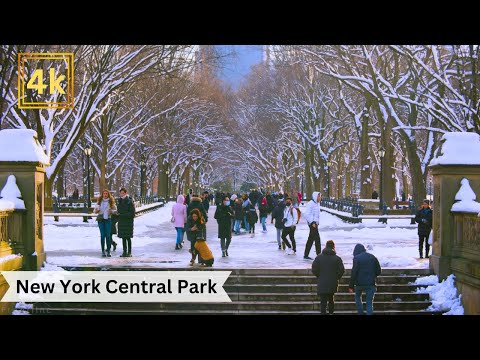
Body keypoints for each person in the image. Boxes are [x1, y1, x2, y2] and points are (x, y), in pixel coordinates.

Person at [311, 240, 345, 315]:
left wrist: (319, 276)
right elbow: (342, 270)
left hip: (322, 282)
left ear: (326, 246)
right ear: (333, 246)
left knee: (323, 301)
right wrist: (336, 277)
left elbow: (314, 269)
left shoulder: (319, 257)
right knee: (331, 299)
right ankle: (331, 313)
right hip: (332, 282)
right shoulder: (337, 258)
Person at [348, 243, 382, 315]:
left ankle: (360, 313)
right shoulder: (372, 257)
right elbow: (379, 271)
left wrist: (351, 286)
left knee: (357, 297)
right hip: (370, 283)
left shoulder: (356, 258)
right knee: (369, 302)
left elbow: (354, 272)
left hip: (359, 284)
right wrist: (372, 275)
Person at [94, 189, 117, 257]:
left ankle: (109, 251)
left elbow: (115, 210)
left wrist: (111, 211)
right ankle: (103, 251)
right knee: (102, 235)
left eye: (106, 193)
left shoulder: (111, 202)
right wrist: (96, 210)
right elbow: (95, 210)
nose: (105, 195)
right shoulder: (99, 201)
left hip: (108, 219)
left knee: (108, 235)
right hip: (101, 219)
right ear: (102, 194)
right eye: (104, 193)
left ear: (108, 194)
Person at [303, 191, 322, 260]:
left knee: (310, 239)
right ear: (315, 196)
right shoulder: (310, 204)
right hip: (312, 224)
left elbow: (316, 215)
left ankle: (306, 254)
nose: (320, 198)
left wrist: (317, 222)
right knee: (317, 239)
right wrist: (312, 222)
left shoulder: (317, 204)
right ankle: (319, 254)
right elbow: (307, 214)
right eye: (319, 196)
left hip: (315, 224)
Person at [117, 187, 135, 257]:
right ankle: (124, 251)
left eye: (123, 193)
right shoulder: (119, 201)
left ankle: (129, 252)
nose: (121, 194)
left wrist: (122, 215)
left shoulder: (129, 201)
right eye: (120, 193)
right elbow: (118, 210)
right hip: (121, 222)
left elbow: (132, 213)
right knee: (123, 237)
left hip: (128, 222)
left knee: (128, 237)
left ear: (126, 193)